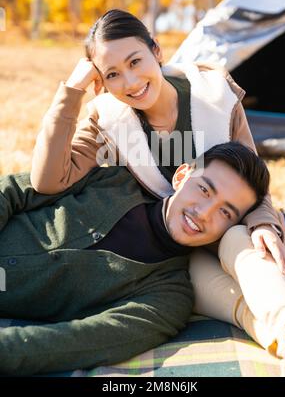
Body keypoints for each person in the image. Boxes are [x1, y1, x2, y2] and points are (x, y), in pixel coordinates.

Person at [30, 9, 285, 375]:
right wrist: (73, 92)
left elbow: (253, 176)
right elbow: (47, 180)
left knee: (243, 242)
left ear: (156, 50)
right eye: (111, 74)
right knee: (233, 304)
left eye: (135, 61)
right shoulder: (107, 120)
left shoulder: (214, 95)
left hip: (232, 228)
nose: (130, 81)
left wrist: (265, 223)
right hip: (173, 257)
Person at [0, 142, 267, 376]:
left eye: (226, 213)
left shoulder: (169, 297)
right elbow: (14, 190)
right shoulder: (114, 179)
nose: (204, 213)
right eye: (204, 190)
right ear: (182, 176)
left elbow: (82, 341)